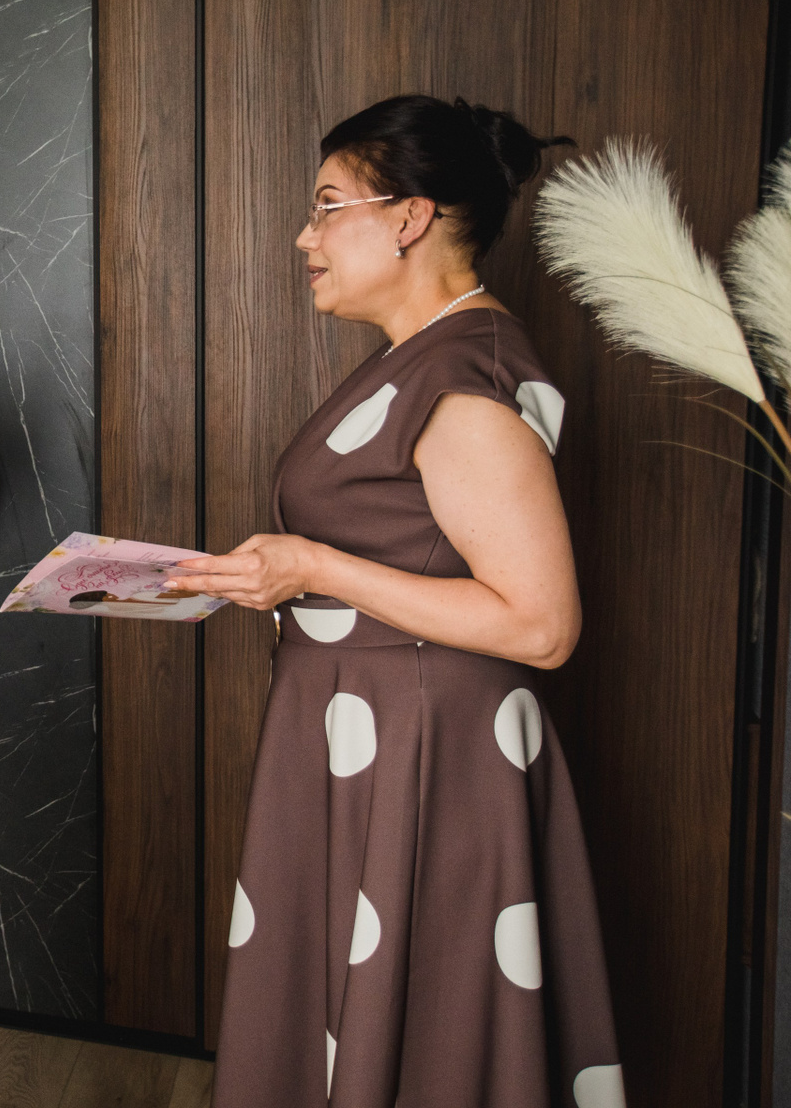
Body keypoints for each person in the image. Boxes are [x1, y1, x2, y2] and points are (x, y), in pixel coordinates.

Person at [168, 96, 621, 1106]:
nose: (306, 236)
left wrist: (315, 570)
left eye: (328, 206)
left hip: (427, 754)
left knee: (419, 1029)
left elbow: (542, 625)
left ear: (409, 217)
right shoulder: (421, 358)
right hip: (373, 738)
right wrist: (280, 574)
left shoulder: (461, 377)